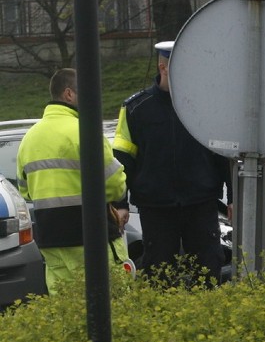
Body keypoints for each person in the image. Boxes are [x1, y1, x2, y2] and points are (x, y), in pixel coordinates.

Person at [113, 41, 232, 285]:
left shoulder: (206, 106)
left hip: (200, 202)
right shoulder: (136, 109)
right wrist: (120, 203)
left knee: (209, 267)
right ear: (163, 68)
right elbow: (122, 160)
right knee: (159, 271)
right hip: (156, 206)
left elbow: (223, 155)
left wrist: (233, 198)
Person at [16, 68, 129, 294]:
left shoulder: (29, 138)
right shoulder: (84, 130)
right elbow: (115, 182)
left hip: (50, 238)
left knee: (66, 309)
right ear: (69, 94)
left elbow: (25, 191)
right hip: (90, 234)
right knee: (111, 300)